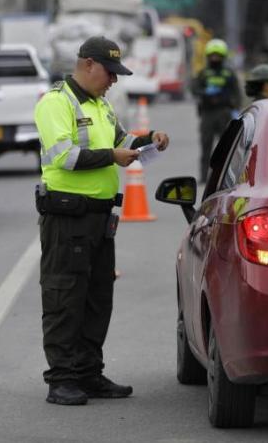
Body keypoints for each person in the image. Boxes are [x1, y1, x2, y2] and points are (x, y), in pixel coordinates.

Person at [33, 36, 169, 406]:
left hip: (99, 217)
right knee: (65, 297)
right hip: (67, 217)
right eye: (110, 73)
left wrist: (148, 140)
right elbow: (64, 156)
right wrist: (113, 155)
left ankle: (89, 374)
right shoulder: (56, 103)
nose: (114, 80)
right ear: (88, 65)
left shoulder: (102, 105)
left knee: (97, 298)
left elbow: (122, 139)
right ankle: (61, 379)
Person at [191, 38, 239, 182]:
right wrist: (205, 92)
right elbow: (194, 89)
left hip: (224, 113)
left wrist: (236, 109)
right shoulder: (203, 73)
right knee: (206, 146)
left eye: (218, 56)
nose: (215, 58)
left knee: (226, 148)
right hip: (207, 114)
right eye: (212, 56)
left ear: (223, 57)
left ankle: (223, 178)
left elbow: (236, 93)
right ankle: (204, 177)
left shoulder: (229, 74)